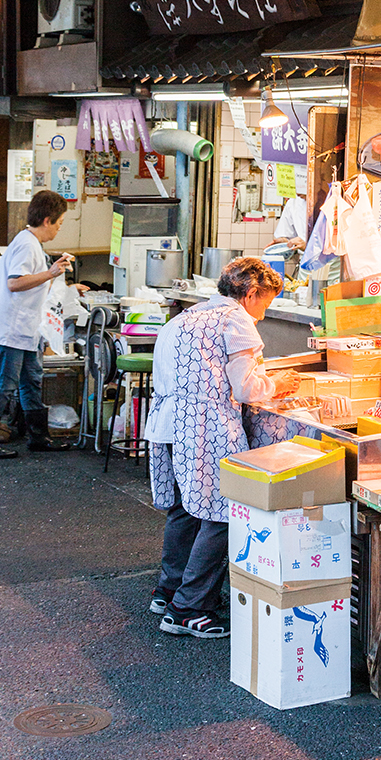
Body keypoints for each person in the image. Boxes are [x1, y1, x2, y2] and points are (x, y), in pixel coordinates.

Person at [146, 256, 301, 639]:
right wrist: (281, 385)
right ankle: (189, 608)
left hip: (166, 424)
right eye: (266, 301)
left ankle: (168, 591)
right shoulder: (236, 321)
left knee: (185, 510)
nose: (265, 311)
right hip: (205, 427)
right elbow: (249, 388)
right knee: (221, 513)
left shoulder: (186, 317)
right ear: (251, 295)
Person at [0, 190, 76, 460]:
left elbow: (32, 281)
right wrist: (51, 272)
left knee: (31, 381)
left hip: (25, 329)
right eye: (60, 222)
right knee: (5, 383)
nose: (59, 228)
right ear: (47, 220)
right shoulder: (26, 243)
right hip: (9, 329)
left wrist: (52, 269)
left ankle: (38, 437)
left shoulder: (31, 243)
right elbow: (15, 282)